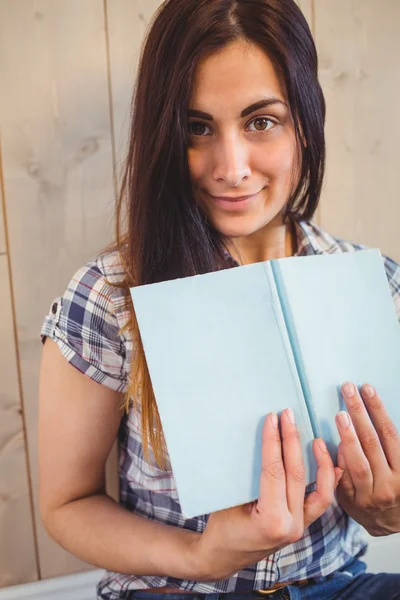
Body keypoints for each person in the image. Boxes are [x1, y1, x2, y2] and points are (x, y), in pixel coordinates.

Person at [38, 0, 400, 598]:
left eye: (262, 121)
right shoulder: (108, 297)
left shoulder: (374, 286)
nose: (231, 168)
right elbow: (66, 503)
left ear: (304, 122)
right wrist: (201, 556)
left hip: (337, 582)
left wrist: (387, 513)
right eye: (196, 128)